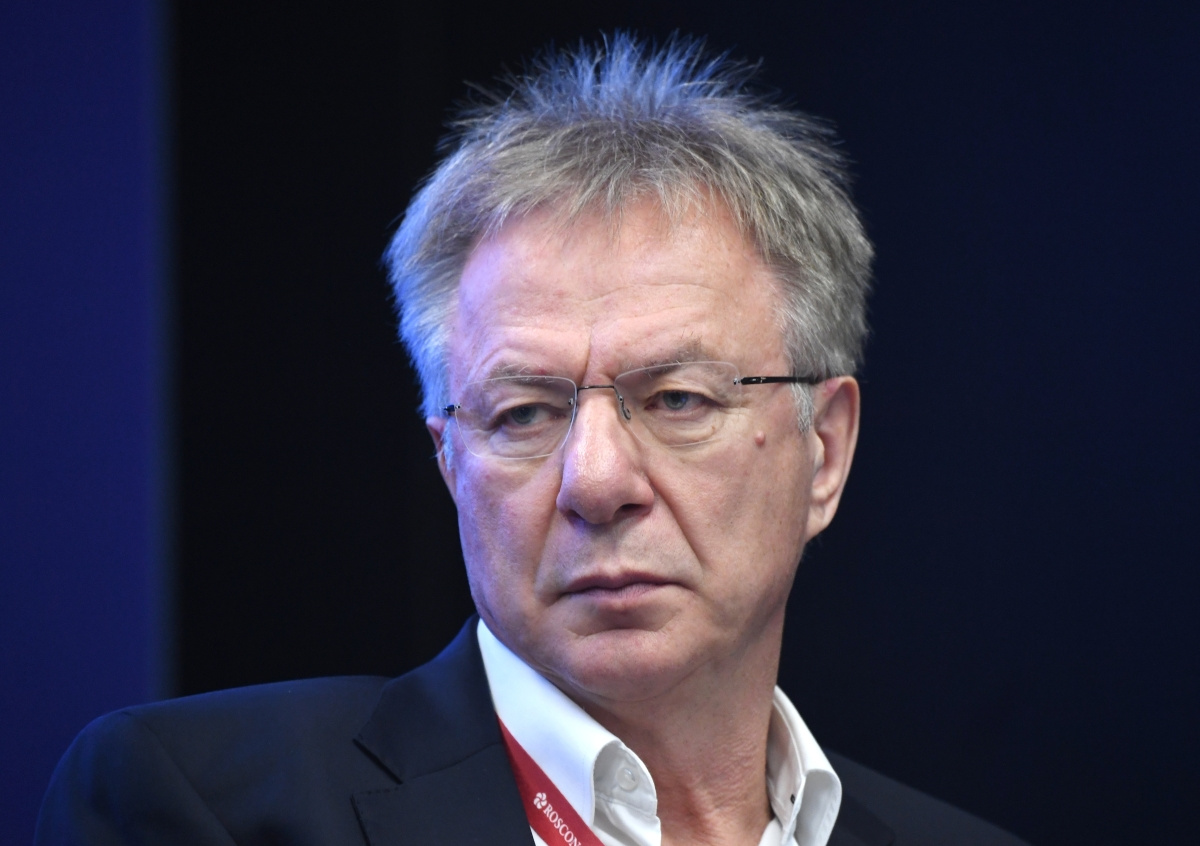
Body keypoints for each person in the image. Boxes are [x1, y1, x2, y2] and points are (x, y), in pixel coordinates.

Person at [37, 35, 1029, 846]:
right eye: (523, 413)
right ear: (449, 461)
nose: (594, 481)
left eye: (677, 399)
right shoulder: (205, 808)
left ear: (826, 451)